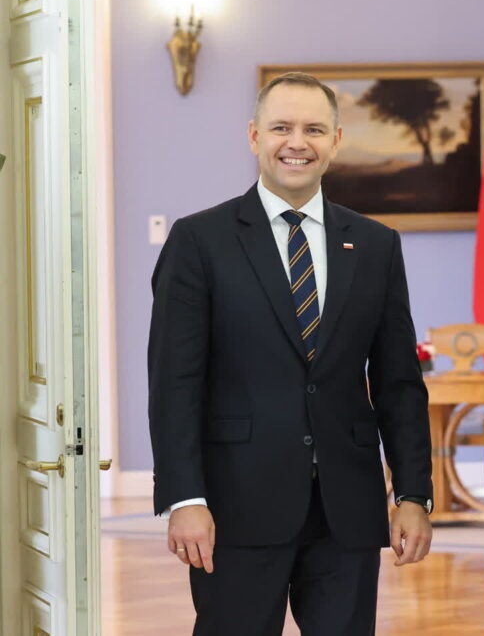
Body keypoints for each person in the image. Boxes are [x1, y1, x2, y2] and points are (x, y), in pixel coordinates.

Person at [148, 72, 433, 635]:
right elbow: (174, 383)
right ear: (254, 136)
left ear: (336, 141)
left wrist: (413, 494)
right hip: (234, 509)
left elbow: (399, 381)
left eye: (313, 129)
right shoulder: (199, 241)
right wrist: (184, 498)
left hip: (346, 512)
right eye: (281, 127)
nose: (296, 142)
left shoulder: (375, 245)